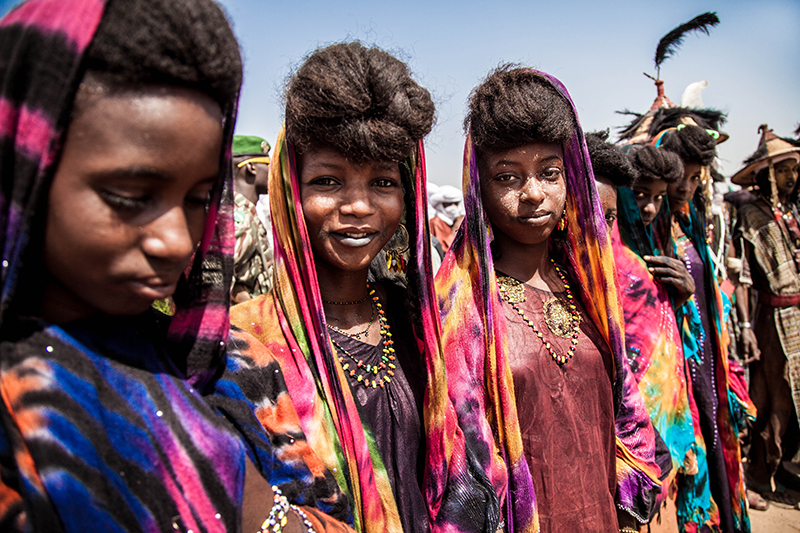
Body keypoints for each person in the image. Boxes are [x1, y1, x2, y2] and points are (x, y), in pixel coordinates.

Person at [0, 1, 352, 532]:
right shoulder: (16, 402)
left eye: (199, 199)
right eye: (129, 195)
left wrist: (250, 498)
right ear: (25, 172)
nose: (174, 240)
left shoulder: (231, 365)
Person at [228, 42, 499, 533]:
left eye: (382, 182)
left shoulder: (424, 325)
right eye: (328, 182)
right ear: (291, 193)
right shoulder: (244, 344)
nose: (358, 205)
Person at [436, 66, 661, 533]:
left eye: (550, 173)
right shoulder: (461, 304)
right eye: (508, 176)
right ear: (479, 187)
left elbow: (628, 414)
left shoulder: (590, 287)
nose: (533, 193)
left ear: (571, 179)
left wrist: (629, 489)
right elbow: (458, 461)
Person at [657, 124, 755, 533]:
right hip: (674, 365)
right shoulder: (649, 227)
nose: (687, 185)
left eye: (697, 177)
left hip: (707, 359)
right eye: (681, 173)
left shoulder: (693, 223)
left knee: (716, 442)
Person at [731, 125, 800, 506]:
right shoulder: (752, 215)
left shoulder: (788, 211)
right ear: (765, 174)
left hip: (796, 315)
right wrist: (745, 327)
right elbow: (741, 278)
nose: (791, 176)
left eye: (793, 168)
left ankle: (779, 464)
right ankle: (760, 471)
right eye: (784, 169)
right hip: (773, 319)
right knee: (776, 396)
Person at [231, 134, 274, 303]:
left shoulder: (248, 213)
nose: (272, 173)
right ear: (251, 168)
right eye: (267, 165)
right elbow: (214, 276)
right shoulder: (239, 218)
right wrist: (249, 307)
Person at [428, 185, 464, 252]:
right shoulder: (436, 222)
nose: (453, 207)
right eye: (449, 204)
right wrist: (455, 230)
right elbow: (447, 249)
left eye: (455, 204)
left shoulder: (457, 221)